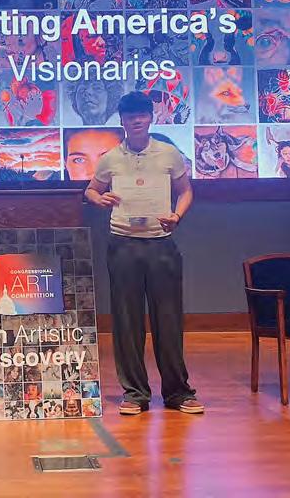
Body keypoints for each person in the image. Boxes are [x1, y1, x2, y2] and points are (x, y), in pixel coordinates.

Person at [84, 91, 203, 416]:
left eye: (141, 115)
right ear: (121, 120)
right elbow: (91, 190)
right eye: (129, 116)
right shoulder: (110, 157)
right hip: (123, 244)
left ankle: (178, 392)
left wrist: (176, 216)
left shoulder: (169, 153)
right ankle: (135, 393)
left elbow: (186, 191)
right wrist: (99, 199)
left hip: (161, 243)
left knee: (169, 320)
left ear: (150, 118)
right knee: (126, 321)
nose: (136, 120)